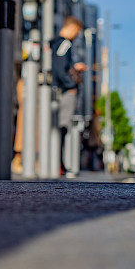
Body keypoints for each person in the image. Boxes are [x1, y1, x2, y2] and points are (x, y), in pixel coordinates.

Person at [50, 16, 86, 177]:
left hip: (58, 90)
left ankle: (60, 164)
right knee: (62, 127)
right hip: (64, 91)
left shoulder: (56, 43)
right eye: (77, 32)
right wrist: (70, 85)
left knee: (59, 128)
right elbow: (59, 68)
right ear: (71, 28)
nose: (77, 36)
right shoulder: (65, 43)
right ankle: (59, 165)